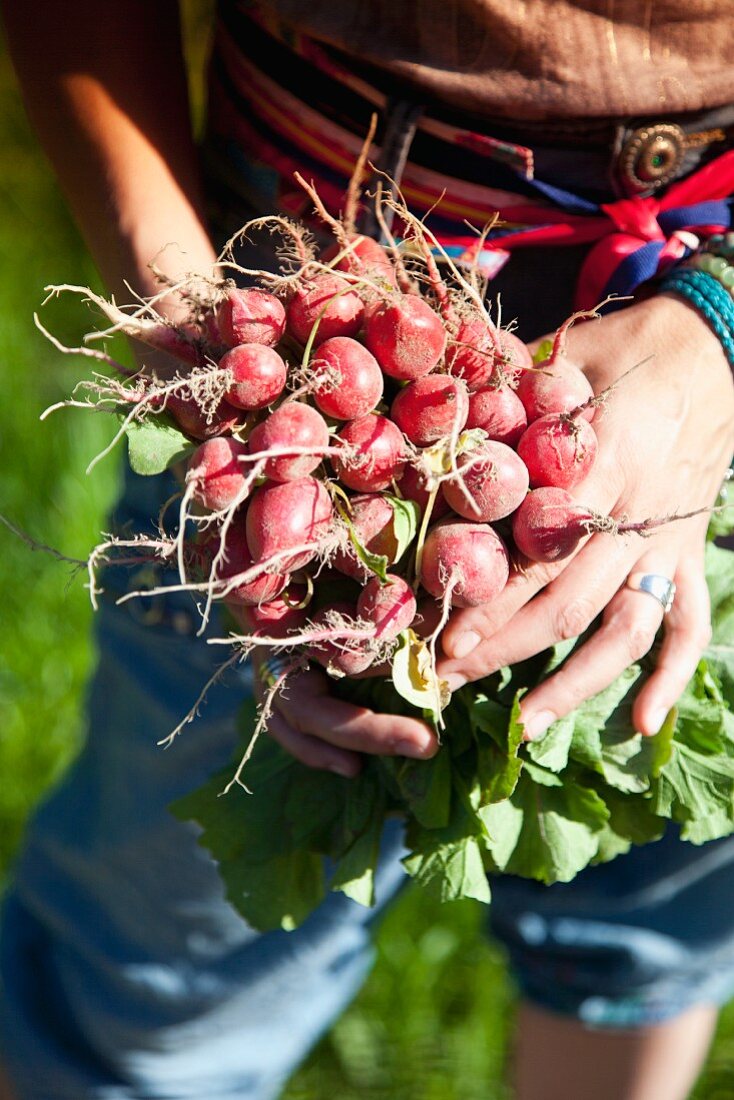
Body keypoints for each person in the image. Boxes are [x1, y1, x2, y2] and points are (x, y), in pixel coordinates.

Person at [0, 2, 733, 1097]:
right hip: (277, 325)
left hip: (700, 394)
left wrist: (718, 318)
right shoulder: (264, 402)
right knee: (151, 993)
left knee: (641, 931)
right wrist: (189, 323)